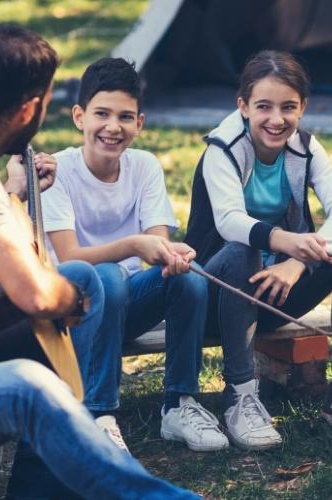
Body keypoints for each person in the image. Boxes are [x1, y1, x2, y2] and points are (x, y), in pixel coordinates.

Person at [0, 24, 197, 499]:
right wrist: (77, 302)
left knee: (80, 271)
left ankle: (40, 480)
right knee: (31, 379)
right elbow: (36, 293)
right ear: (31, 108)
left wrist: (17, 193)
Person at [184, 50, 332, 450]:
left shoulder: (304, 146)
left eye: (288, 107)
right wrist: (287, 243)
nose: (276, 119)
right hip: (218, 298)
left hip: (277, 293)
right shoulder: (222, 148)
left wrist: (296, 263)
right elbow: (230, 221)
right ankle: (239, 395)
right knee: (240, 250)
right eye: (263, 107)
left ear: (303, 107)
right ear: (243, 107)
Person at [41, 57, 227, 452]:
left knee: (188, 276)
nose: (113, 127)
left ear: (139, 123)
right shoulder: (58, 171)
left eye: (125, 117)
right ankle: (99, 413)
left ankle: (179, 403)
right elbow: (70, 254)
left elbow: (157, 245)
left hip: (125, 305)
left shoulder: (144, 166)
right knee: (106, 276)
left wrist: (172, 254)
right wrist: (133, 245)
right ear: (79, 117)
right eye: (101, 114)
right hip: (74, 313)